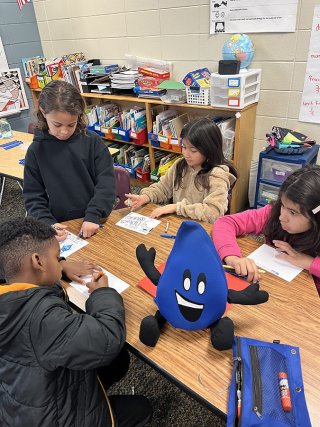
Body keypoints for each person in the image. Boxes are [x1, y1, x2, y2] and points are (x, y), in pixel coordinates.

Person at [0, 217, 152, 427]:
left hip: (24, 400)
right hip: (52, 419)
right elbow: (107, 339)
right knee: (141, 409)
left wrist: (59, 266)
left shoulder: (10, 290)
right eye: (56, 256)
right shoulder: (42, 321)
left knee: (119, 361)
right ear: (38, 262)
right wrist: (103, 293)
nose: (61, 260)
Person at [23, 80, 115, 239]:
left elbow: (106, 183)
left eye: (71, 125)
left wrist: (94, 214)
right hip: (59, 226)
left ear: (79, 117)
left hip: (95, 220)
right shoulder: (35, 151)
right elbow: (33, 196)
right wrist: (47, 223)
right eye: (57, 125)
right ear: (44, 112)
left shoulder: (92, 142)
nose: (64, 132)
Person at [212, 165, 320, 296]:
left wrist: (310, 263)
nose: (282, 217)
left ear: (316, 217)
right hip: (274, 288)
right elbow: (225, 222)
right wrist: (233, 258)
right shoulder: (272, 214)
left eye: (293, 212)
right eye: (282, 205)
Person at [125, 117, 237, 224]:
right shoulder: (180, 165)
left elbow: (213, 213)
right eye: (184, 147)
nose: (186, 154)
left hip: (200, 231)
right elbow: (162, 188)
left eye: (193, 150)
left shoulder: (218, 175)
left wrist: (176, 207)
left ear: (209, 149)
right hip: (177, 224)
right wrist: (145, 197)